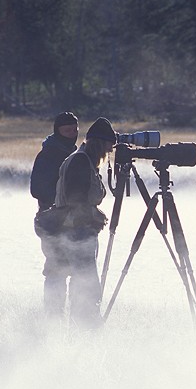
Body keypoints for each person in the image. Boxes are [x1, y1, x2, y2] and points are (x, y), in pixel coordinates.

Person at [53, 117, 116, 327]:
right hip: (77, 232)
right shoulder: (81, 161)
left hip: (76, 231)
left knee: (84, 280)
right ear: (100, 143)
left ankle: (82, 323)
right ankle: (86, 325)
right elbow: (75, 199)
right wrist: (93, 216)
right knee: (86, 282)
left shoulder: (83, 159)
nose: (110, 151)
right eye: (108, 146)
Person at [30, 112, 79, 316]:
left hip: (73, 223)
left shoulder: (76, 154)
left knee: (78, 272)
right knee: (55, 272)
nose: (72, 134)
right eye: (67, 131)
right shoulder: (48, 154)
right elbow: (37, 189)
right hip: (52, 222)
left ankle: (77, 317)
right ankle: (52, 318)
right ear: (57, 131)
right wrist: (63, 200)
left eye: (75, 130)